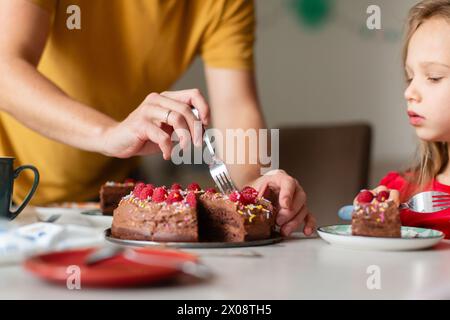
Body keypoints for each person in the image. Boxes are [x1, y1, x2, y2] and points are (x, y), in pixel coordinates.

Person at [0, 0, 315, 236]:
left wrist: (250, 193)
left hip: (96, 208)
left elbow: (237, 107)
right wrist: (109, 134)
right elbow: (5, 68)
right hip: (6, 191)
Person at [358, 0, 450, 238]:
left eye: (434, 77)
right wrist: (374, 220)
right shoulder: (397, 191)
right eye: (410, 77)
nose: (409, 93)